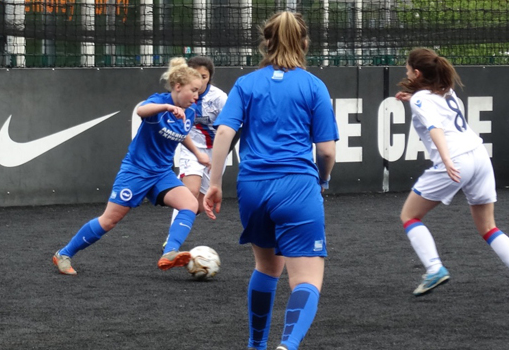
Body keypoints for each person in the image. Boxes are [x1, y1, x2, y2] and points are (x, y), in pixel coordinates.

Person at [203, 11, 338, 350]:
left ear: (265, 42)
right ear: (305, 44)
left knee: (266, 267)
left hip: (253, 188)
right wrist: (322, 182)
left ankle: (256, 345)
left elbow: (224, 132)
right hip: (296, 187)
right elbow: (326, 151)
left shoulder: (246, 84)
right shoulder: (313, 85)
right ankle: (287, 346)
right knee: (307, 278)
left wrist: (215, 183)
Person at [394, 48, 509, 299]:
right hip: (479, 155)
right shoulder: (444, 91)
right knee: (488, 227)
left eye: (407, 69)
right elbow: (433, 107)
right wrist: (412, 98)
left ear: (417, 73)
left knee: (409, 216)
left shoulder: (421, 99)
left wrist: (447, 160)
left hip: (457, 160)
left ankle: (434, 268)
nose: (405, 72)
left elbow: (435, 127)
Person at [52, 57, 208, 275]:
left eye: (199, 91)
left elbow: (181, 135)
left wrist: (198, 153)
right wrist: (166, 107)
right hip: (136, 171)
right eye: (193, 90)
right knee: (109, 221)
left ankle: (169, 253)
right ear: (178, 86)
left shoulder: (189, 111)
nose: (196, 96)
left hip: (161, 174)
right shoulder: (159, 103)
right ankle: (64, 253)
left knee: (190, 204)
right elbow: (141, 111)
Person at [165, 56, 228, 250]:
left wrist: (222, 153)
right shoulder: (182, 95)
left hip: (215, 153)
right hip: (191, 149)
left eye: (204, 76)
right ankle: (172, 240)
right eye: (197, 76)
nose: (200, 82)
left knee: (199, 204)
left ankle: (178, 230)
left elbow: (232, 127)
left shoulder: (219, 98)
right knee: (188, 192)